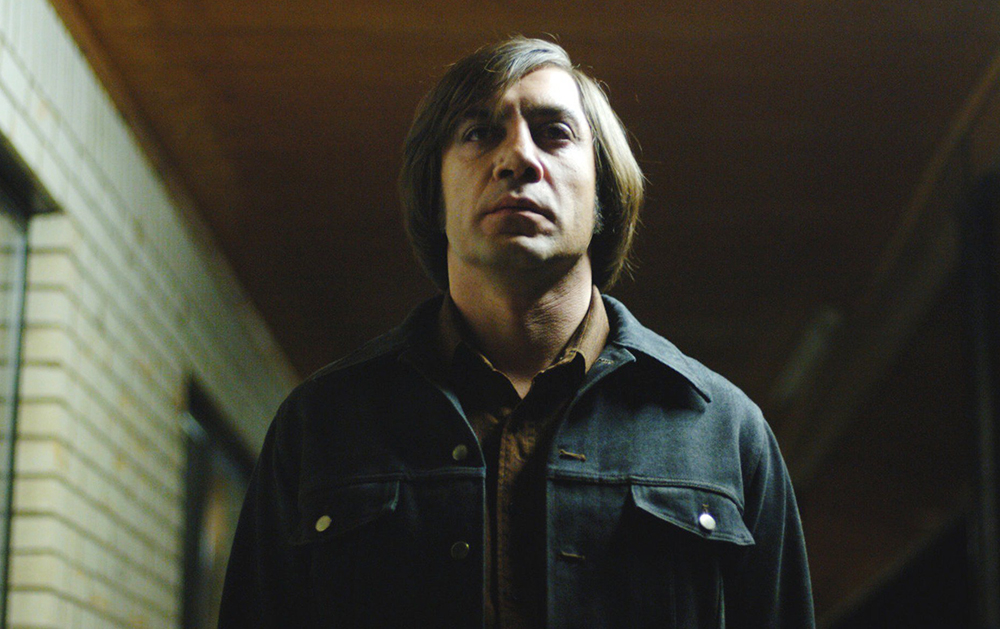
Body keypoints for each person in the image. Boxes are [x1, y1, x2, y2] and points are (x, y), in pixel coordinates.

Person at [219, 36, 815, 628]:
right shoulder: (319, 424)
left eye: (555, 132)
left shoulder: (723, 431)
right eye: (479, 133)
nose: (518, 159)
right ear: (435, 193)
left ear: (604, 192)